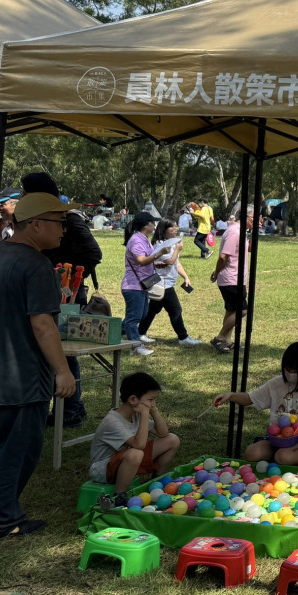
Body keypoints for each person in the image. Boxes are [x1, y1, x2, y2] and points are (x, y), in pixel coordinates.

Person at [0, 193, 76, 537]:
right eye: (60, 223)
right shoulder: (37, 266)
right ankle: (2, 517)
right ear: (36, 224)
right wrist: (63, 371)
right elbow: (42, 324)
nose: (64, 231)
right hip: (21, 379)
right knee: (17, 450)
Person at [21, 172, 102, 428]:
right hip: (47, 287)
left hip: (64, 293)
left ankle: (70, 410)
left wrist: (66, 279)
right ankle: (68, 407)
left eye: (25, 191)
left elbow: (93, 252)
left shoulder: (68, 218)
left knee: (62, 352)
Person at [212, 341, 298, 467]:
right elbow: (250, 398)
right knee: (252, 453)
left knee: (283, 456)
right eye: (287, 368)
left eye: (295, 370)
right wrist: (231, 396)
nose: (291, 373)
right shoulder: (276, 383)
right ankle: (280, 457)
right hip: (278, 437)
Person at [91, 372, 181, 509]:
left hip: (127, 461)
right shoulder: (113, 421)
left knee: (172, 440)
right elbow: (139, 445)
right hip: (102, 469)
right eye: (150, 400)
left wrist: (154, 411)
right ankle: (120, 496)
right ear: (133, 400)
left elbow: (163, 433)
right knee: (136, 453)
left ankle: (156, 482)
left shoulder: (136, 414)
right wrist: (145, 413)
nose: (153, 404)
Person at [137, 220, 201, 347]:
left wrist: (186, 277)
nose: (176, 229)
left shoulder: (172, 244)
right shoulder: (159, 244)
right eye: (173, 227)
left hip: (168, 281)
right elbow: (170, 261)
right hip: (162, 282)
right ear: (164, 229)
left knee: (153, 309)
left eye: (176, 226)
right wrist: (177, 249)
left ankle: (139, 333)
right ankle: (183, 338)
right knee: (175, 309)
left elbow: (177, 263)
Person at [209, 206, 254, 354]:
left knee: (231, 310)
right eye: (253, 218)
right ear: (245, 217)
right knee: (242, 309)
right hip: (231, 278)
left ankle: (227, 341)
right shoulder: (234, 233)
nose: (256, 220)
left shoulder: (240, 232)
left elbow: (249, 249)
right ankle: (220, 338)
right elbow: (223, 256)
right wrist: (216, 272)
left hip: (236, 278)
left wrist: (254, 232)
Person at [121, 212, 160, 357]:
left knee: (141, 314)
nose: (154, 225)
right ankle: (136, 346)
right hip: (133, 286)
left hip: (142, 285)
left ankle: (112, 332)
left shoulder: (144, 239)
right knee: (134, 318)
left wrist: (157, 262)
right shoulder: (137, 240)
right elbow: (141, 260)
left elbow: (146, 260)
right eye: (152, 222)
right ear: (146, 225)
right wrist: (158, 254)